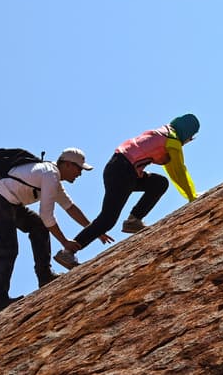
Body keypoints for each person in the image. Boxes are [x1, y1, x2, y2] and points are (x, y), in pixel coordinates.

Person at [53, 114, 200, 269]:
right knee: (107, 219)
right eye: (190, 138)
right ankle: (68, 252)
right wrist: (192, 197)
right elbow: (178, 171)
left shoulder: (163, 132)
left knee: (158, 183)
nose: (188, 142)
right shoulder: (173, 140)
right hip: (123, 171)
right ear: (187, 133)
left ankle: (133, 221)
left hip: (119, 167)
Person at [0, 148, 106, 313]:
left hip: (8, 203)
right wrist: (64, 242)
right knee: (8, 249)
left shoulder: (52, 175)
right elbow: (47, 215)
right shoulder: (50, 174)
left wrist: (94, 230)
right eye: (79, 169)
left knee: (38, 226)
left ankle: (44, 275)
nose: (80, 174)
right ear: (67, 165)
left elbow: (70, 207)